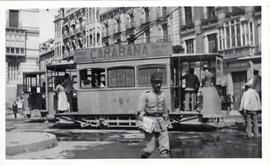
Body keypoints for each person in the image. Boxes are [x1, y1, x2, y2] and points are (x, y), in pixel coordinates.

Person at [137, 72, 170, 158]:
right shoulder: (145, 95)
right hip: (150, 123)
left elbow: (165, 110)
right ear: (151, 82)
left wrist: (167, 122)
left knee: (164, 151)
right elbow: (139, 112)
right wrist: (140, 124)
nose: (159, 84)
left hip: (161, 122)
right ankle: (142, 159)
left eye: (160, 82)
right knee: (150, 149)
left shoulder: (163, 94)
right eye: (156, 82)